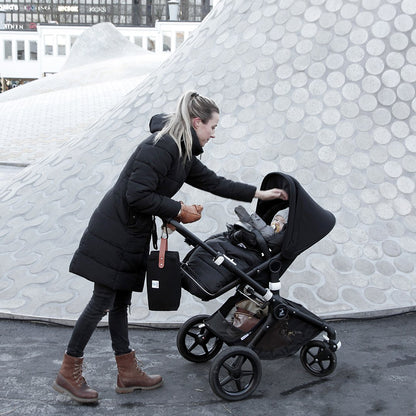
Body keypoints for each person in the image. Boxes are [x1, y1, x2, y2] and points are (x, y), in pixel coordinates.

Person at [52, 90, 288, 404]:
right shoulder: (160, 147)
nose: (214, 135)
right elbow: (136, 195)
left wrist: (261, 195)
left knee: (119, 303)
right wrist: (176, 209)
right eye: (212, 128)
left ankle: (128, 373)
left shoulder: (182, 153)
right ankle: (69, 371)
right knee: (102, 302)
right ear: (196, 122)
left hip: (131, 233)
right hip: (116, 232)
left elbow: (215, 182)